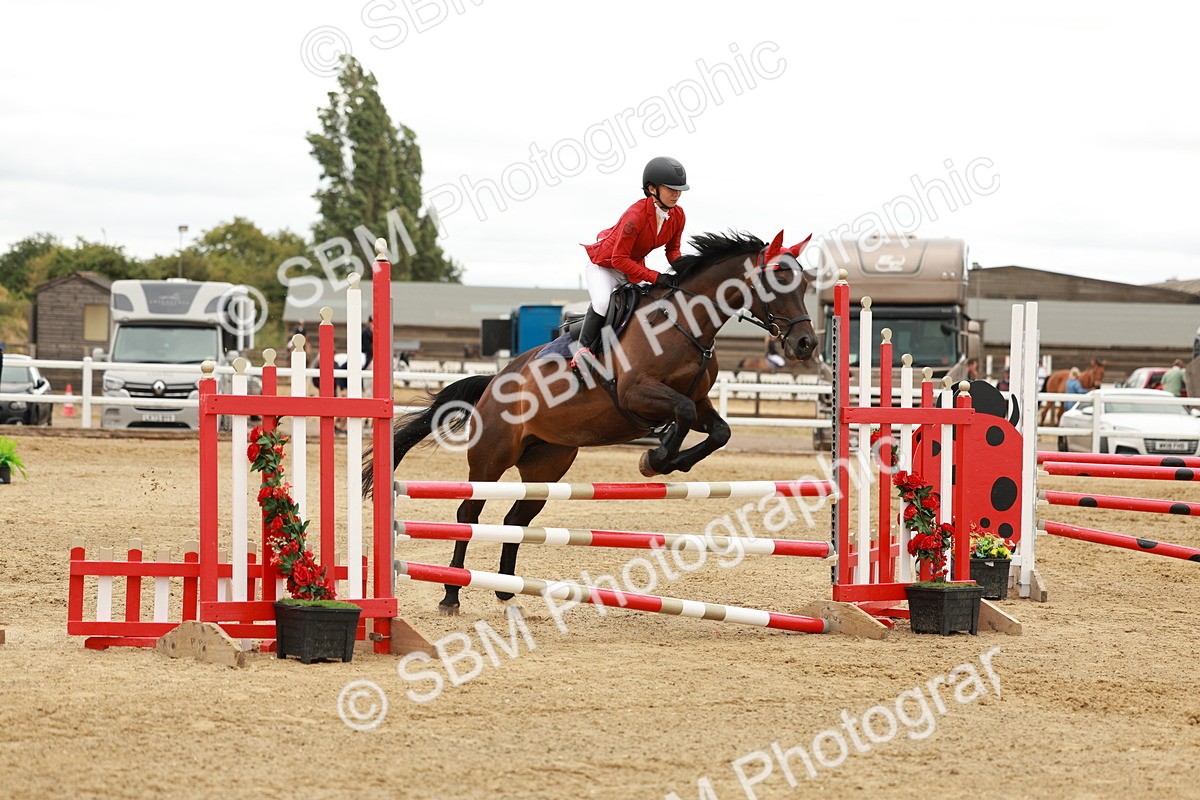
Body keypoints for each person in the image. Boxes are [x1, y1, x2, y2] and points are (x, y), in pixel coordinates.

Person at [571, 156, 688, 370]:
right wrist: (655, 276)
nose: (677, 194)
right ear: (652, 189)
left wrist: (685, 270)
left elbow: (672, 250)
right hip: (605, 266)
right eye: (671, 188)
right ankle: (582, 351)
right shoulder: (635, 216)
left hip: (631, 267)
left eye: (679, 189)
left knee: (651, 302)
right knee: (602, 303)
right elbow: (618, 259)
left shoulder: (678, 215)